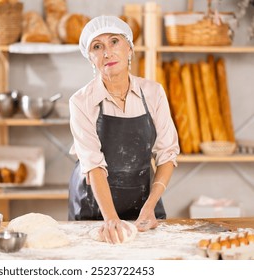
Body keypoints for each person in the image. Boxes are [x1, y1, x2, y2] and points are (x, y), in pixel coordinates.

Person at [68, 15, 180, 244]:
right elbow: (93, 165)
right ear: (90, 58)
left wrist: (151, 205)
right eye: (97, 47)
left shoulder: (154, 92)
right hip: (94, 204)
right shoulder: (81, 101)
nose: (107, 52)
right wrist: (110, 219)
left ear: (130, 48)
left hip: (143, 199)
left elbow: (167, 153)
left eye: (114, 42)